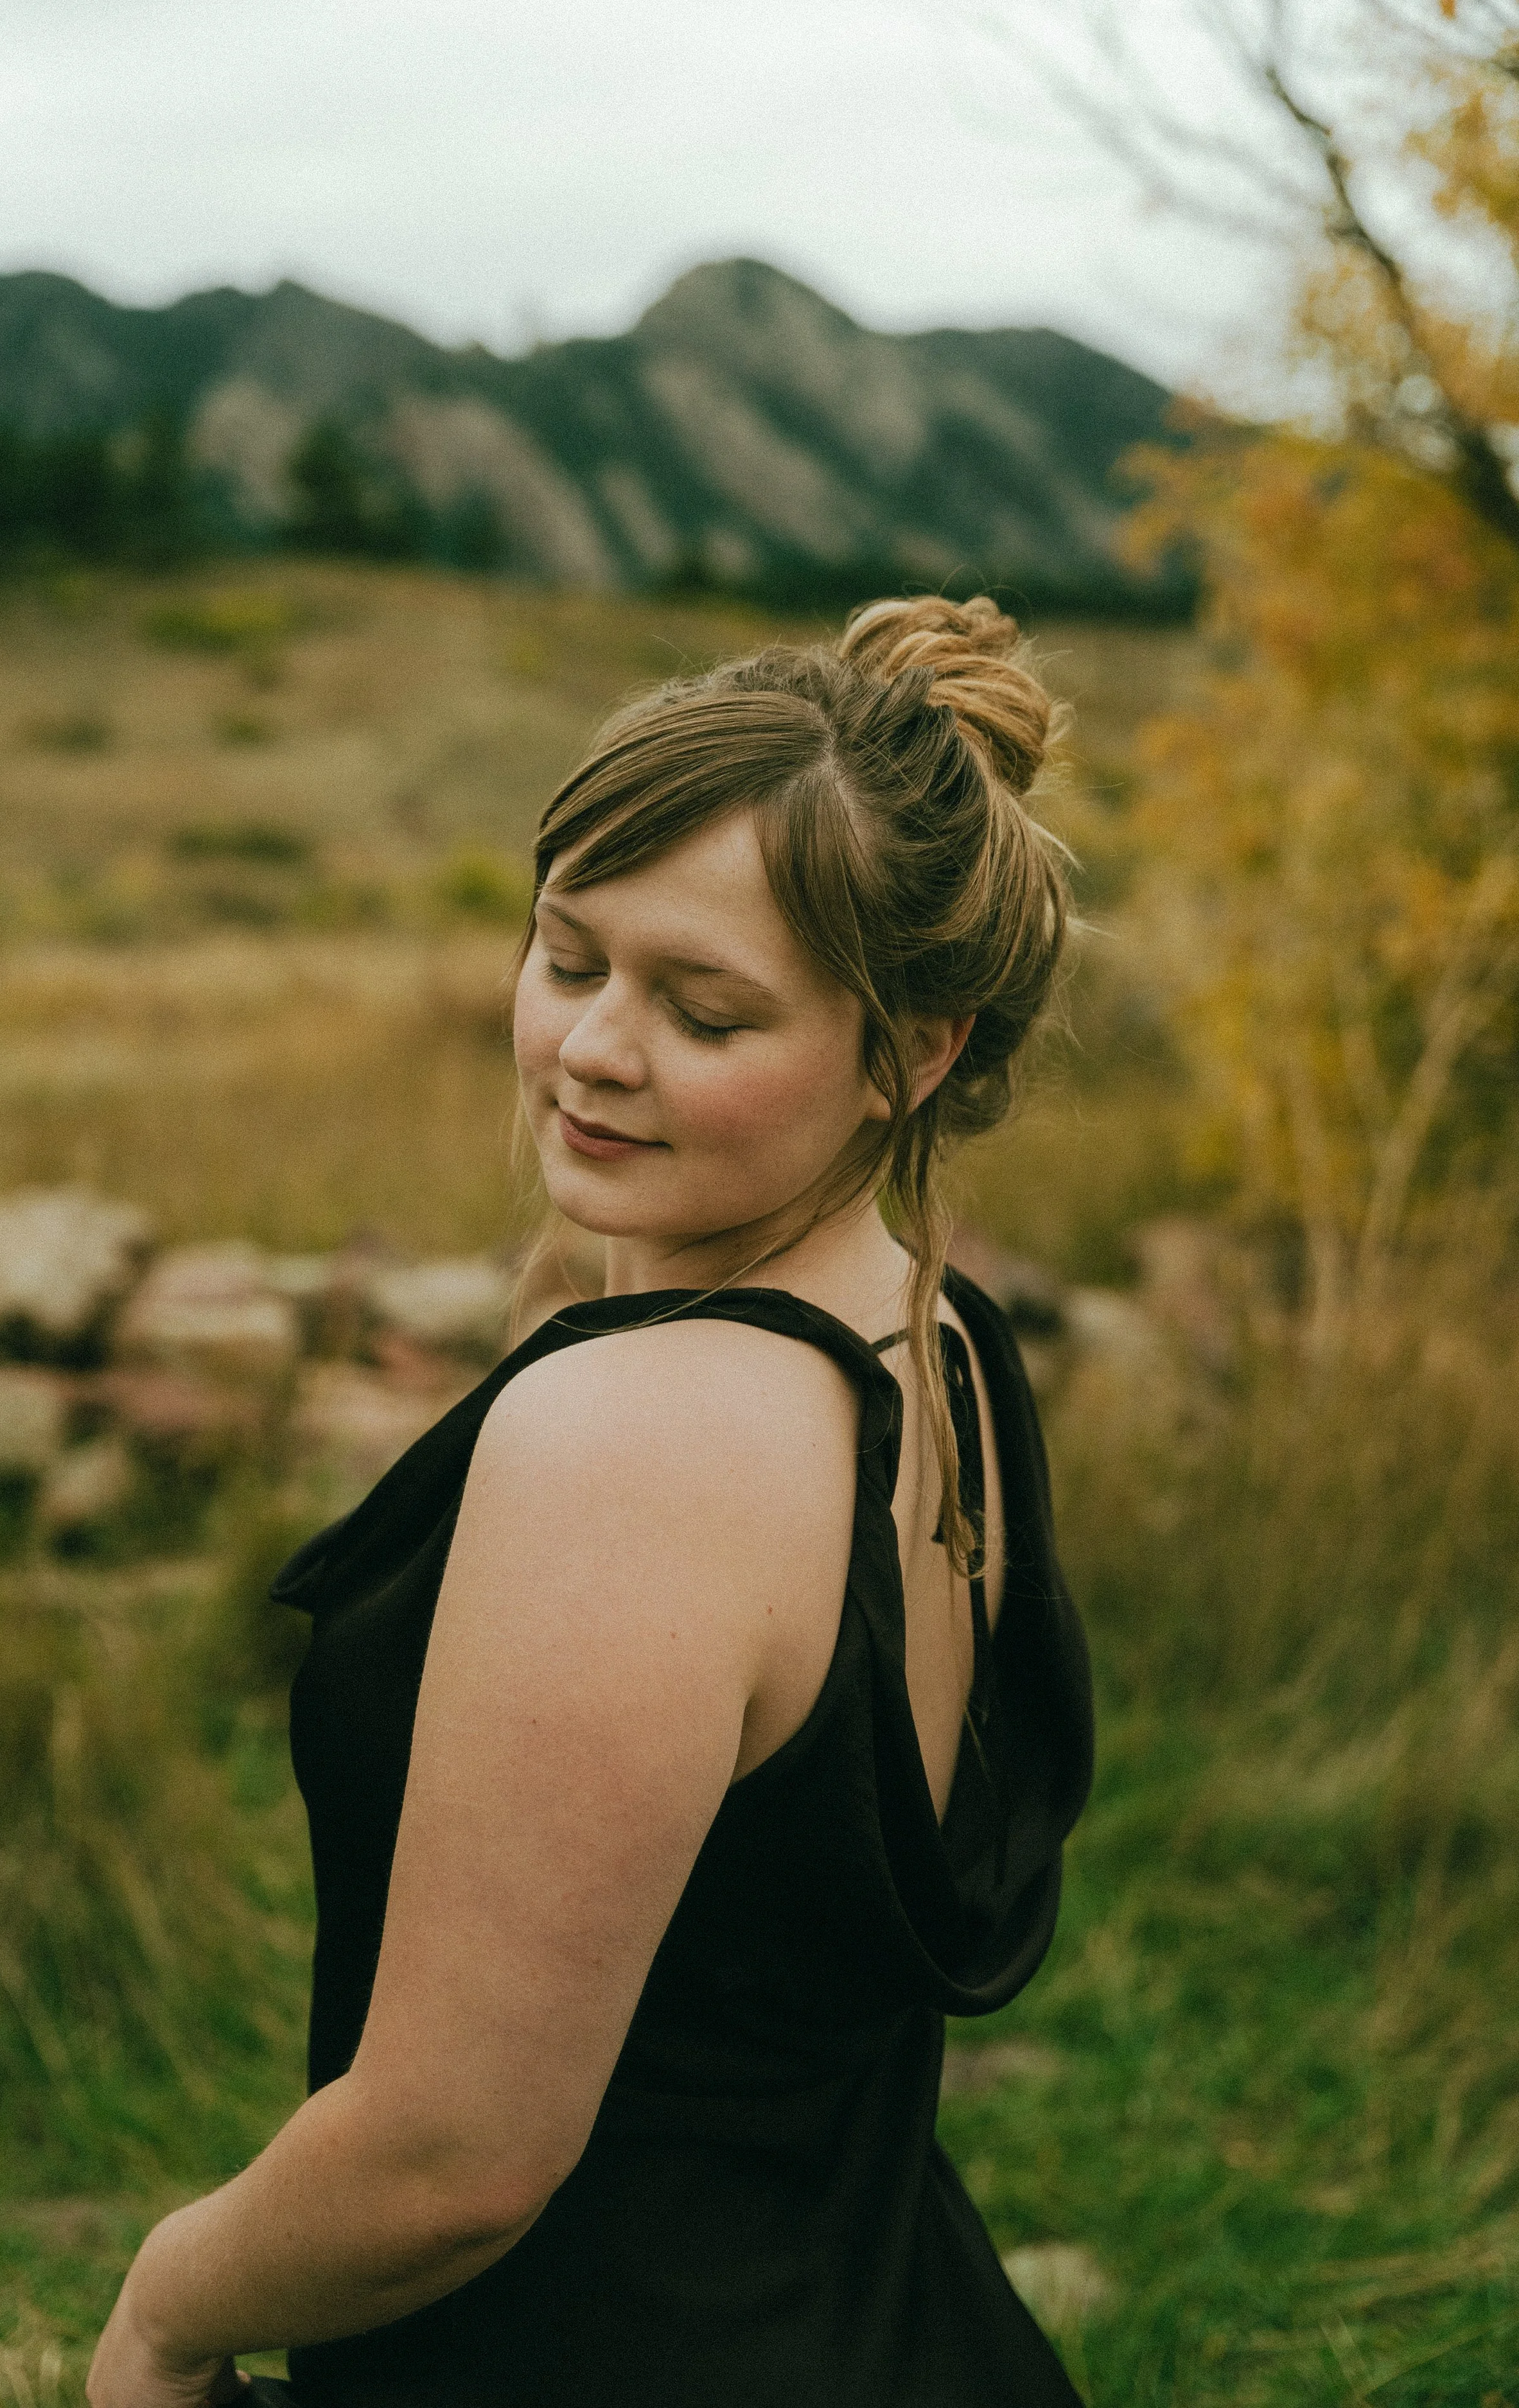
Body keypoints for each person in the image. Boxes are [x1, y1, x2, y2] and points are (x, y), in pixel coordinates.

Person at [88, 593, 1095, 2408]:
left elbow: (452, 2156)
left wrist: (167, 2306)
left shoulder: (639, 1440)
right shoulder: (931, 1343)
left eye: (702, 1011)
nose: (592, 1050)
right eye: (567, 959)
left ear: (916, 1051)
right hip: (898, 2328)